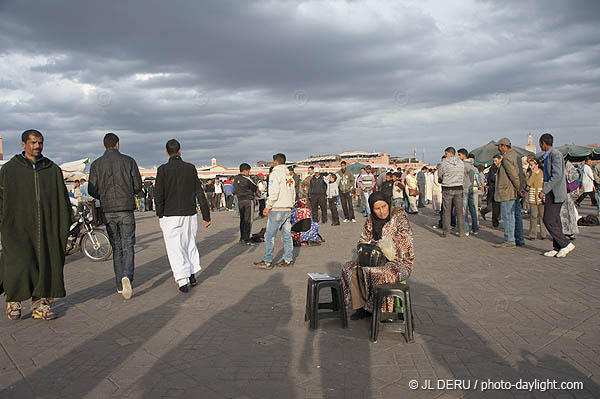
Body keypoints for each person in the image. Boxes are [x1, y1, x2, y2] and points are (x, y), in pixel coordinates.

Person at [0, 130, 72, 320]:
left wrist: (63, 226)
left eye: (40, 143)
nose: (37, 146)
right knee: (19, 263)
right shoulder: (9, 170)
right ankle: (14, 301)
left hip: (47, 227)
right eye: (33, 143)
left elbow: (63, 200)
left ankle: (41, 304)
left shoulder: (52, 169)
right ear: (23, 144)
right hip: (17, 227)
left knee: (46, 264)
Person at [340, 192, 414, 320]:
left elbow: (405, 241)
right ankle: (361, 307)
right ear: (372, 209)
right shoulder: (370, 221)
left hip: (398, 262)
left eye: (384, 206)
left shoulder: (399, 217)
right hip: (373, 260)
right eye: (377, 208)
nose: (381, 211)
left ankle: (384, 312)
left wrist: (382, 244)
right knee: (349, 268)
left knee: (379, 274)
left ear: (388, 204)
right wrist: (369, 246)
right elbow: (363, 240)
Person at [89, 133, 143, 299]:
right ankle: (127, 275)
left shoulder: (97, 164)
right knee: (128, 244)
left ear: (104, 146)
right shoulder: (128, 161)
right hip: (126, 208)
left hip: (108, 209)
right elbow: (138, 186)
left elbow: (92, 189)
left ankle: (119, 284)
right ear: (117, 144)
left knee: (116, 246)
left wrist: (103, 196)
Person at [154, 139, 211, 293]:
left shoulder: (162, 170)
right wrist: (206, 215)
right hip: (189, 213)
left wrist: (160, 214)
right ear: (180, 150)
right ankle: (192, 273)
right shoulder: (190, 168)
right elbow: (199, 191)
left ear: (167, 152)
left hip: (170, 214)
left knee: (175, 247)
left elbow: (158, 194)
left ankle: (182, 279)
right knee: (189, 243)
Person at [254, 153, 296, 269]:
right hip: (288, 208)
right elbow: (293, 193)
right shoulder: (289, 176)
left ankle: (267, 260)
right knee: (287, 235)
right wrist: (291, 205)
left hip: (277, 208)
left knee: (269, 236)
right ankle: (288, 258)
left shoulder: (275, 174)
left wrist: (267, 206)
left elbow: (274, 192)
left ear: (276, 162)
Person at [538, 133, 575, 258]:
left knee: (548, 220)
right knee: (555, 220)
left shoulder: (555, 154)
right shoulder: (548, 156)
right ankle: (557, 246)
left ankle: (565, 244)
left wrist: (544, 190)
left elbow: (557, 175)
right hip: (551, 193)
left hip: (556, 193)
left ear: (543, 142)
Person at [494, 138, 525, 248]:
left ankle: (509, 240)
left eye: (499, 146)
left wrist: (518, 187)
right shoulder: (516, 155)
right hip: (513, 190)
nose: (498, 148)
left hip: (507, 190)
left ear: (504, 146)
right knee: (516, 215)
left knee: (508, 216)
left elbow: (513, 175)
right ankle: (519, 238)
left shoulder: (507, 157)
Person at [437, 147, 466, 237]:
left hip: (447, 188)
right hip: (459, 188)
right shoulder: (461, 163)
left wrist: (442, 180)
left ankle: (446, 232)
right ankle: (461, 232)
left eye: (446, 154)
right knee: (459, 211)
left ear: (449, 153)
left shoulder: (444, 163)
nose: (445, 156)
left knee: (446, 211)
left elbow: (440, 175)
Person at [233, 163, 258, 245]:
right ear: (245, 170)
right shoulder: (247, 179)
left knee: (242, 219)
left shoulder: (235, 179)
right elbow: (255, 188)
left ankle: (242, 237)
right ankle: (247, 238)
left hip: (240, 200)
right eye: (248, 171)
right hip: (248, 200)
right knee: (248, 220)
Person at [458, 149, 479, 235]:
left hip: (465, 188)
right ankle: (475, 229)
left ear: (464, 155)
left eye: (459, 155)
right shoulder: (473, 166)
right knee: (473, 209)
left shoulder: (463, 165)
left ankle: (466, 229)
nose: (458, 157)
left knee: (465, 210)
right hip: (472, 188)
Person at [525, 158, 548, 240]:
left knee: (542, 215)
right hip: (532, 197)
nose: (531, 167)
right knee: (533, 216)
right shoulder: (529, 173)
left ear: (537, 164)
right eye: (530, 165)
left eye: (532, 165)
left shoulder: (543, 173)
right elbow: (529, 183)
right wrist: (533, 174)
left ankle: (543, 233)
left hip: (541, 197)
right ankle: (532, 233)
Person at [480, 154, 501, 227]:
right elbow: (492, 178)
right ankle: (494, 221)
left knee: (497, 207)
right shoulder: (493, 168)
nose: (494, 162)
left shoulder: (502, 167)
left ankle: (496, 219)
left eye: (495, 160)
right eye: (494, 161)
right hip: (493, 189)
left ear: (500, 159)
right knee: (493, 206)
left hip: (499, 190)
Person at [561, 161, 580, 239]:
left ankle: (571, 232)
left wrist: (568, 175)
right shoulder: (554, 164)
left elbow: (576, 175)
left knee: (570, 213)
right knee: (561, 214)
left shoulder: (567, 164)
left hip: (567, 193)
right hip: (558, 192)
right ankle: (562, 232)